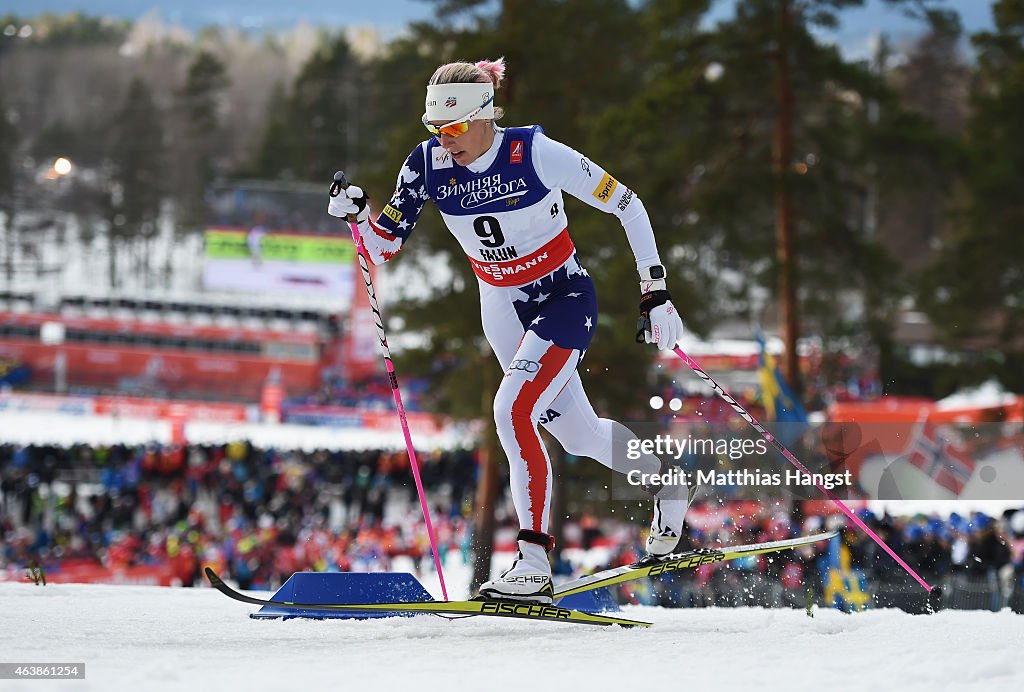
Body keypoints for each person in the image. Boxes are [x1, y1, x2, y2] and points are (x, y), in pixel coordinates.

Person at [328, 57, 690, 604]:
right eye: (435, 130)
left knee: (511, 411)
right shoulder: (425, 165)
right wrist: (359, 215)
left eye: (453, 129)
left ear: (485, 116)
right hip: (500, 304)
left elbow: (628, 204)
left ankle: (533, 560)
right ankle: (668, 479)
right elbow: (384, 245)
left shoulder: (534, 153)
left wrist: (654, 291)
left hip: (563, 296)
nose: (445, 141)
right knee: (579, 434)